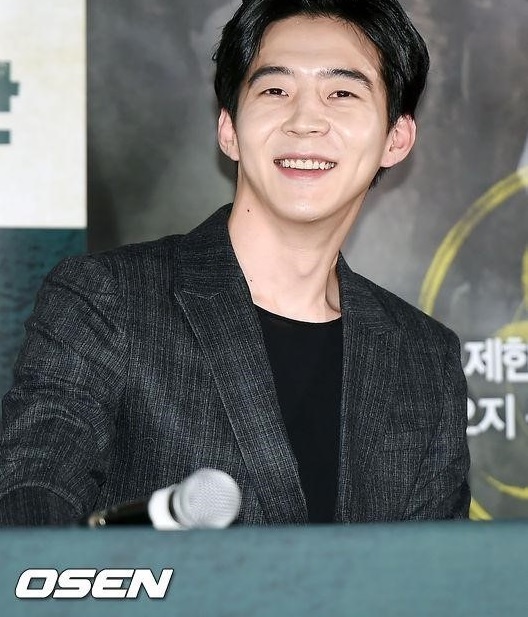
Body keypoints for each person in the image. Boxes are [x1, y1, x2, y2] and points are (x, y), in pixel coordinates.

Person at [0, 0, 470, 525]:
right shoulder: (108, 299)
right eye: (275, 91)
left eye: (342, 93)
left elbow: (435, 565)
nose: (305, 122)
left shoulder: (425, 359)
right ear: (229, 129)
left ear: (396, 139)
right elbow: (29, 503)